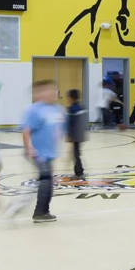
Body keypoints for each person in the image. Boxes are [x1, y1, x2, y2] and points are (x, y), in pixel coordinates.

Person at [21, 80, 65, 223]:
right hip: (37, 152)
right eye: (48, 90)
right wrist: (29, 148)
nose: (52, 93)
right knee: (45, 178)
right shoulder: (34, 110)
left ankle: (45, 211)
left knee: (48, 181)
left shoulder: (58, 109)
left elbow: (58, 128)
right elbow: (26, 130)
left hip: (50, 152)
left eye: (54, 90)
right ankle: (39, 212)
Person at [65, 88, 89, 182]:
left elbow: (71, 123)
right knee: (76, 153)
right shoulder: (81, 106)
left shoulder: (73, 108)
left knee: (76, 154)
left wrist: (70, 135)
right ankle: (79, 171)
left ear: (71, 98)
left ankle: (79, 173)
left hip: (75, 135)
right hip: (79, 135)